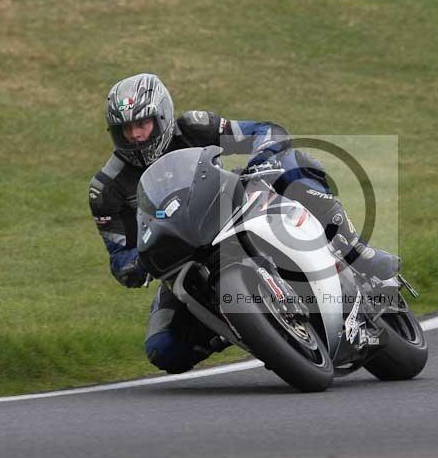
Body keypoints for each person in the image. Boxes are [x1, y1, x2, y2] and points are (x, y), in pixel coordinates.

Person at [88, 73, 401, 374]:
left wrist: (263, 156)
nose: (135, 136)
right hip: (185, 259)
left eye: (141, 124)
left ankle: (356, 249)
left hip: (234, 210)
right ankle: (247, 328)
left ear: (163, 116)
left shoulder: (195, 126)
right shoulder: (106, 189)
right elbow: (120, 259)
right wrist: (138, 262)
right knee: (163, 349)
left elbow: (267, 131)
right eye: (125, 130)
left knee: (290, 166)